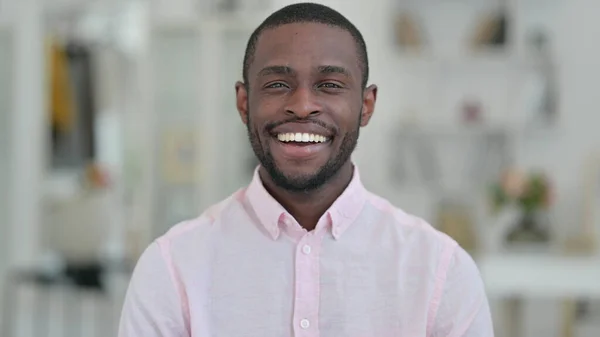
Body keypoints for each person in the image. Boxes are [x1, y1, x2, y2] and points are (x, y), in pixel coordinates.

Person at [118, 3, 494, 336]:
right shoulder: (172, 268)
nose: (302, 106)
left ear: (366, 105)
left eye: (329, 85)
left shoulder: (441, 271)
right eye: (278, 84)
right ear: (244, 102)